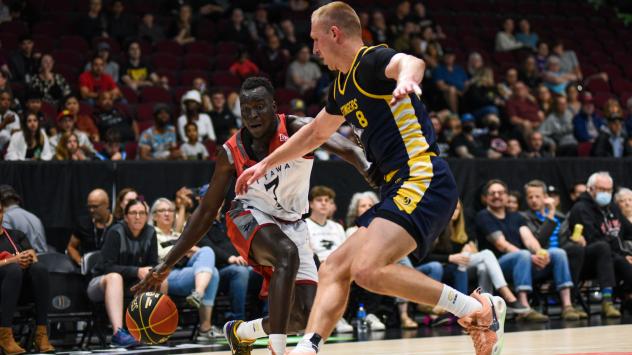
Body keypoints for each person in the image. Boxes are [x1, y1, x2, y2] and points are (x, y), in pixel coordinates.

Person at [234, 4, 505, 354]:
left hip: (423, 176)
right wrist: (265, 164)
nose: (314, 49)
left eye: (316, 39)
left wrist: (408, 79)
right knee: (334, 267)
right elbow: (316, 132)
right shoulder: (341, 86)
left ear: (335, 34)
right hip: (396, 186)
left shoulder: (372, 61)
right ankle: (308, 348)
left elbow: (411, 62)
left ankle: (477, 310)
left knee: (368, 269)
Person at [133, 76, 374, 355]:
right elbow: (205, 212)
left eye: (259, 107)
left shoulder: (298, 128)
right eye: (246, 109)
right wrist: (166, 265)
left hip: (293, 223)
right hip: (247, 215)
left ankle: (241, 332)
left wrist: (365, 164)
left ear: (274, 107)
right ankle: (277, 350)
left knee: (304, 317)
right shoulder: (230, 152)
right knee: (286, 254)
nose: (252, 115)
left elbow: (348, 148)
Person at [475, 180, 585, 322]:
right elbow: (501, 245)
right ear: (485, 198)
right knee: (523, 254)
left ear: (507, 196)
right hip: (496, 265)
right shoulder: (483, 216)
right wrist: (530, 256)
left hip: (522, 263)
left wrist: (540, 253)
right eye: (492, 193)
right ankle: (524, 309)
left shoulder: (515, 216)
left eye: (501, 193)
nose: (497, 196)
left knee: (558, 253)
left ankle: (567, 305)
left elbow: (528, 238)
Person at [306, 186, 386, 333]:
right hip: (318, 265)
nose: (323, 203)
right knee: (327, 270)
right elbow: (307, 253)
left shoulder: (337, 227)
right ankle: (332, 319)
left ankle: (368, 315)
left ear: (331, 204)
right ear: (310, 204)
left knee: (370, 268)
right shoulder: (305, 226)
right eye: (319, 200)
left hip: (341, 264)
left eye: (327, 200)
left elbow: (346, 250)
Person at [428, 200, 530, 314]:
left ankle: (486, 306)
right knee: (486, 254)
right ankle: (507, 295)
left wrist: (469, 249)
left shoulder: (461, 230)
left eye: (456, 209)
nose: (453, 212)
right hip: (443, 267)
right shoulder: (435, 228)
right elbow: (424, 257)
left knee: (483, 266)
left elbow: (467, 252)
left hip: (459, 266)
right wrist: (450, 258)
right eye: (450, 208)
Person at [87, 199, 157, 347]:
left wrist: (154, 272)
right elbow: (106, 266)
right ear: (125, 217)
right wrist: (136, 271)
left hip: (130, 285)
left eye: (142, 213)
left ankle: (149, 329)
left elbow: (153, 263)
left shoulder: (151, 233)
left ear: (147, 216)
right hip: (100, 284)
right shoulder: (116, 232)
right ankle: (118, 333)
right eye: (133, 213)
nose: (138, 217)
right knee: (115, 277)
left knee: (160, 280)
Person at [150, 198, 221, 341]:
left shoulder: (179, 235)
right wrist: (183, 251)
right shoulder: (151, 234)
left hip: (185, 270)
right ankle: (205, 328)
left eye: (170, 210)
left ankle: (198, 294)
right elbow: (161, 257)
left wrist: (190, 250)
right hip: (167, 274)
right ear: (154, 216)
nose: (167, 214)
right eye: (162, 211)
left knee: (208, 254)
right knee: (212, 272)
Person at [520, 180, 590, 318]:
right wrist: (550, 215)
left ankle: (571, 301)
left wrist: (576, 239)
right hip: (538, 261)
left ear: (545, 197)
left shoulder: (561, 217)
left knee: (576, 249)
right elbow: (538, 241)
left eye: (537, 196)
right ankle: (567, 304)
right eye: (530, 197)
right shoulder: (523, 218)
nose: (533, 200)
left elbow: (564, 240)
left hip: (561, 258)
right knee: (559, 253)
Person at [568, 172, 632, 317]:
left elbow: (628, 230)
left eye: (609, 190)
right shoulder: (580, 208)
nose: (606, 193)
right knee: (604, 249)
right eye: (601, 189)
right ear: (590, 189)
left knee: (621, 262)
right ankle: (607, 301)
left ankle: (626, 296)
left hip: (614, 256)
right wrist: (623, 256)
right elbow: (593, 239)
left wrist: (628, 254)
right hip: (587, 259)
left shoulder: (613, 208)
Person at [0, 204, 54, 355]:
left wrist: (26, 259)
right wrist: (12, 260)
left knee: (39, 269)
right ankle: (5, 334)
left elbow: (33, 256)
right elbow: (13, 263)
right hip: (2, 290)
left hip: (19, 289)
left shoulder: (16, 235)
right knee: (13, 269)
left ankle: (41, 332)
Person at [66, 189, 114, 266]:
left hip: (110, 268)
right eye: (89, 207)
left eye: (95, 206)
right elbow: (71, 247)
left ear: (107, 204)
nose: (91, 210)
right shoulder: (83, 223)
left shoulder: (117, 224)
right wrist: (80, 261)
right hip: (88, 269)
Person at [0, 185, 47, 254]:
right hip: (44, 258)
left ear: (2, 203)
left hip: (26, 259)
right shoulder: (33, 216)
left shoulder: (6, 216)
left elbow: (6, 246)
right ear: (17, 201)